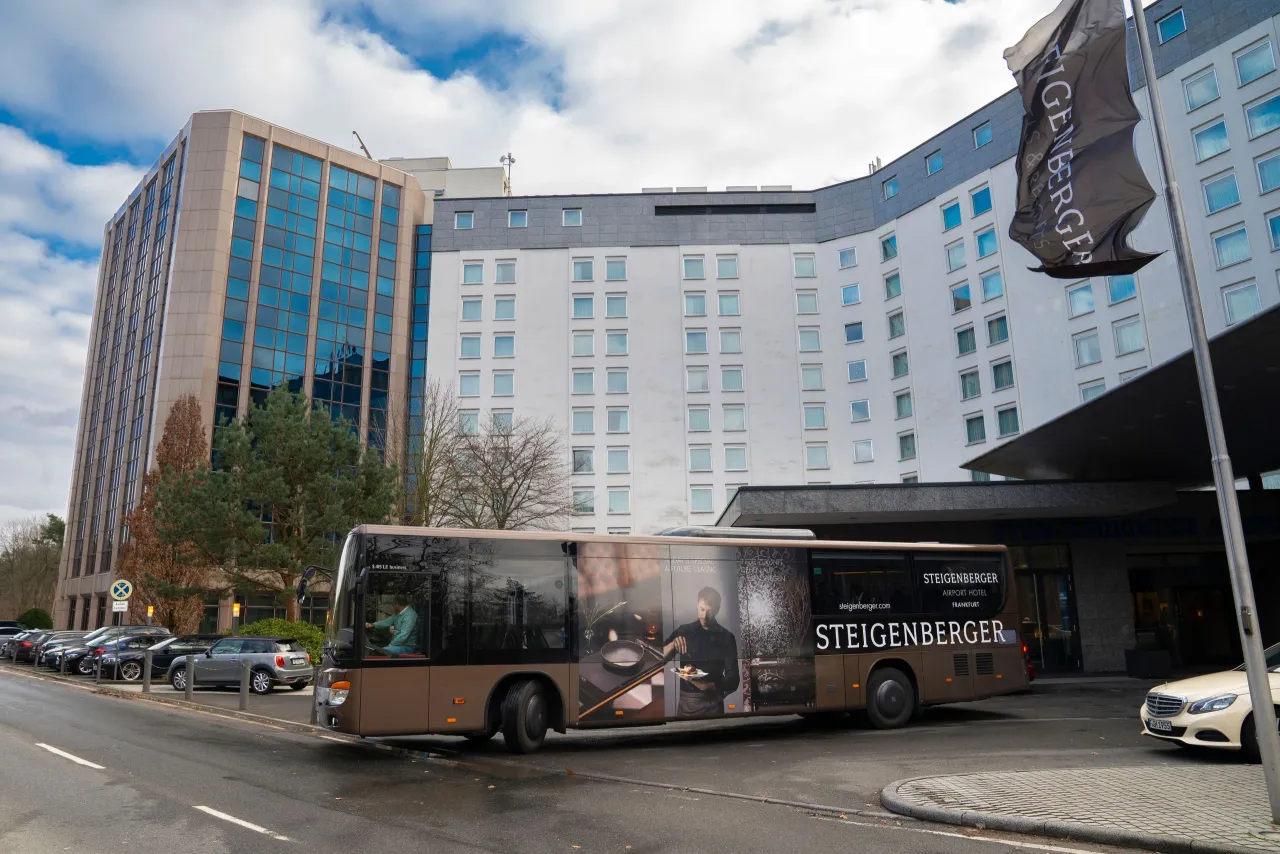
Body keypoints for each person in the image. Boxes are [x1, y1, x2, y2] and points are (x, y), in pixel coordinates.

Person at [663, 586, 739, 716]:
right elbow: (659, 658)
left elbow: (733, 679)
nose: (703, 616)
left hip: (713, 706)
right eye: (701, 609)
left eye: (709, 612)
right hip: (686, 704)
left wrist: (709, 685)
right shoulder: (684, 631)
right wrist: (671, 645)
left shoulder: (726, 637)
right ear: (697, 604)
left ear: (717, 610)